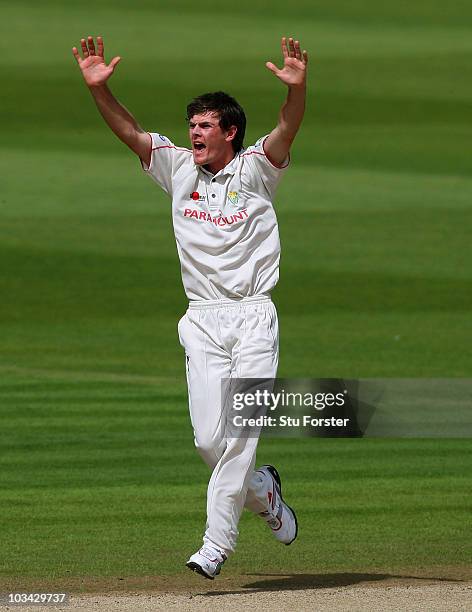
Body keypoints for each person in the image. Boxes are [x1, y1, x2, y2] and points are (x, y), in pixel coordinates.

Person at [72, 35, 308, 579]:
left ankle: (215, 545)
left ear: (229, 132)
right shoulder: (177, 168)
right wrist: (99, 89)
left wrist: (297, 90)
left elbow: (287, 128)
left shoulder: (256, 170)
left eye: (204, 125)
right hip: (201, 320)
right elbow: (131, 132)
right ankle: (264, 493)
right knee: (210, 441)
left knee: (243, 433)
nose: (194, 133)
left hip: (252, 317)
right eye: (192, 125)